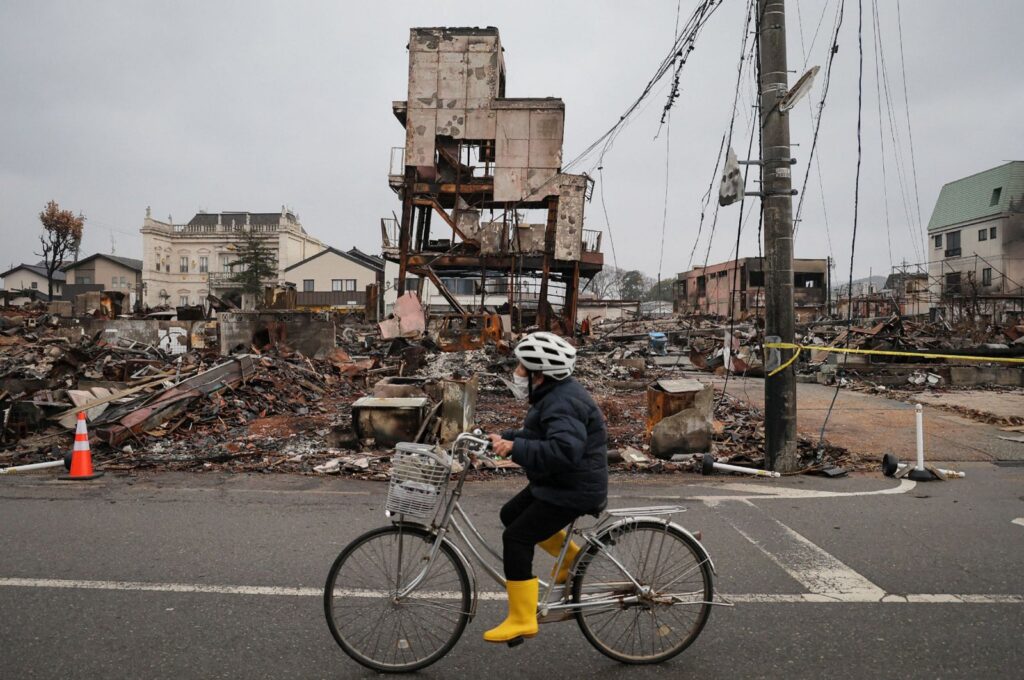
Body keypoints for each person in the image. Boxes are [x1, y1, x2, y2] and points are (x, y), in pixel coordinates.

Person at [484, 331, 608, 644]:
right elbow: (538, 433)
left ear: (540, 373)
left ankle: (522, 619)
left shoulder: (563, 402)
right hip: (561, 482)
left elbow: (563, 451)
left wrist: (514, 448)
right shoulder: (554, 395)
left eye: (522, 368)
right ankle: (571, 562)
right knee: (511, 514)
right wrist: (504, 438)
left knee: (516, 537)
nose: (517, 373)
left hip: (573, 488)